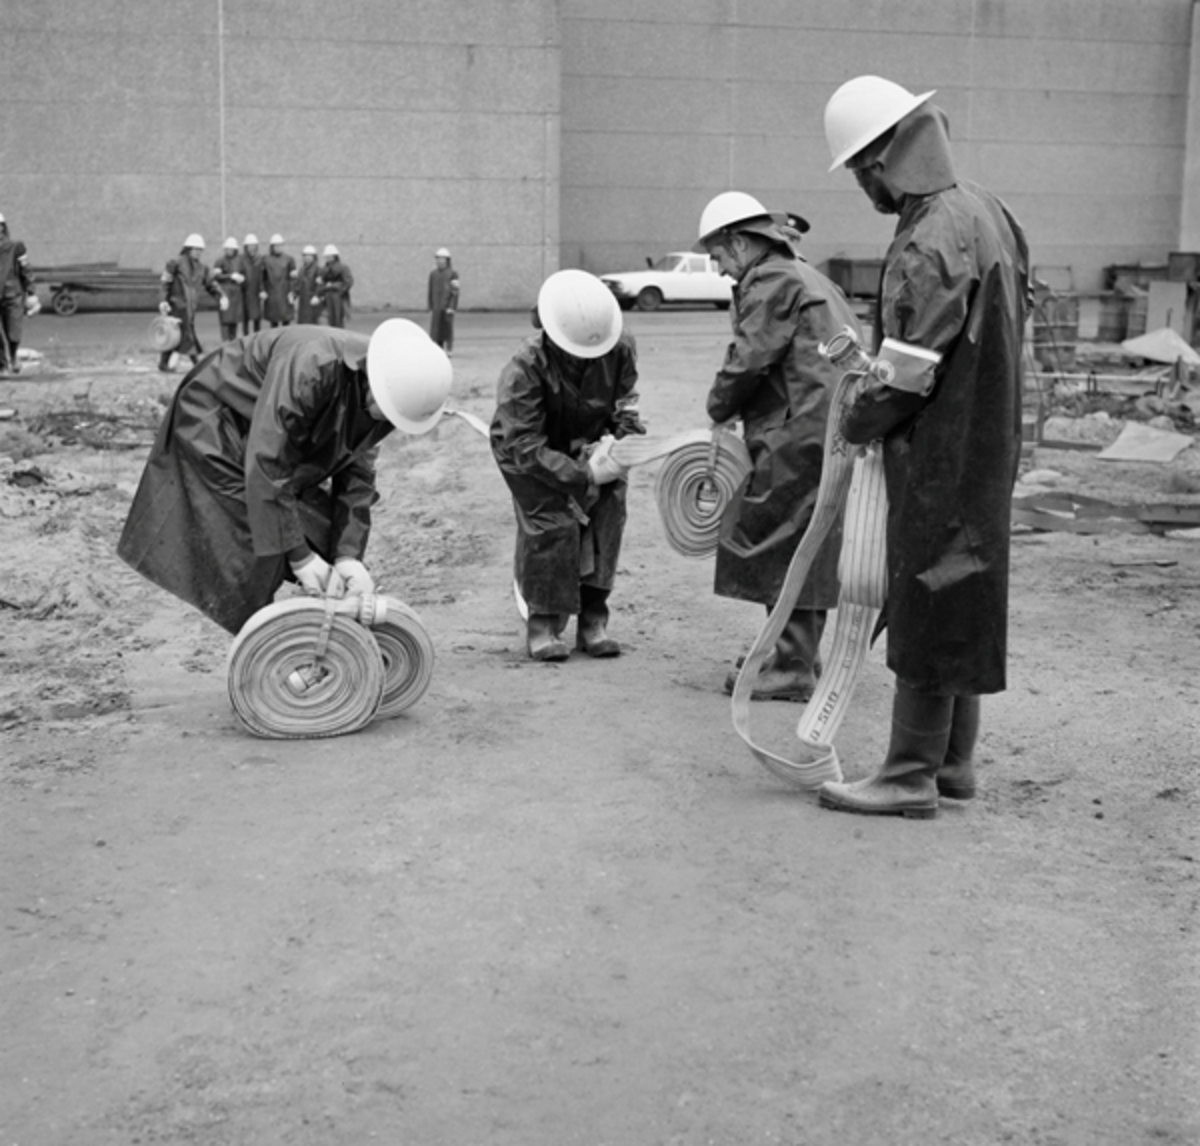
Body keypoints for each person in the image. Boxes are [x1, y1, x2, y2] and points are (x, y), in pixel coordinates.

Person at [816, 75, 1030, 819]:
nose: (862, 188)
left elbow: (908, 371)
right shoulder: (988, 211)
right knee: (966, 586)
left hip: (938, 447)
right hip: (989, 439)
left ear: (883, 160)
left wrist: (858, 419)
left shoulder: (929, 233)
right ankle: (955, 764)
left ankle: (909, 774)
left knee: (928, 590)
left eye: (858, 172)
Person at [117, 320, 452, 635]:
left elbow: (358, 476)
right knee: (250, 537)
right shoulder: (312, 366)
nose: (382, 417)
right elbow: (268, 462)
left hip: (274, 436)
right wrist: (300, 557)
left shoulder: (393, 396)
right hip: (216, 421)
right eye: (382, 407)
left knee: (316, 528)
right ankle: (267, 647)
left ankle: (324, 635)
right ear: (373, 377)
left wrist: (348, 554)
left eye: (389, 414)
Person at [696, 191, 858, 702]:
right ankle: (793, 652)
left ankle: (792, 666)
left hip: (800, 429)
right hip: (826, 423)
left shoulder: (771, 280)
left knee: (789, 540)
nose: (721, 270)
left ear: (740, 244)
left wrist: (717, 408)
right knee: (806, 537)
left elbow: (749, 358)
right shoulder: (808, 275)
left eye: (720, 257)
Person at [490, 269, 644, 661]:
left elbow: (627, 403)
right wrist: (582, 474)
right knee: (550, 520)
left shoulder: (619, 346)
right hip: (529, 449)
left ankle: (593, 619)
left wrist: (615, 445)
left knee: (608, 515)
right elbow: (523, 442)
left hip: (594, 445)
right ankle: (543, 623)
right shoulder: (525, 367)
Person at [157, 234, 227, 373]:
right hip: (176, 306)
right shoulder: (175, 263)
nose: (198, 252)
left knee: (178, 336)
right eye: (196, 249)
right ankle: (198, 365)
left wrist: (221, 296)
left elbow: (211, 284)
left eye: (200, 249)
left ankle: (164, 363)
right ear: (188, 248)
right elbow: (165, 282)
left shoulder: (202, 268)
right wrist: (163, 300)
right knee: (183, 335)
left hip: (191, 308)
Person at [0, 212, 38, 375]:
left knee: (13, 332)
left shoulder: (16, 247)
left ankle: (13, 354)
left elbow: (26, 270)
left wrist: (31, 293)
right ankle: (1, 365)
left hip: (12, 295)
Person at [212, 237, 246, 343]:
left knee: (234, 319)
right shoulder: (219, 261)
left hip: (236, 294)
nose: (229, 251)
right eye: (228, 249)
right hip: (224, 293)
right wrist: (230, 276)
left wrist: (242, 278)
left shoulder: (239, 261)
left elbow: (244, 274)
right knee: (225, 319)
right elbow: (216, 277)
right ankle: (225, 340)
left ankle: (233, 340)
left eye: (231, 249)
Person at [427, 247, 460, 354]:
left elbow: (455, 292)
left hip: (447, 308)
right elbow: (430, 290)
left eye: (442, 259)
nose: (440, 261)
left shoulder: (453, 274)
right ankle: (438, 348)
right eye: (438, 259)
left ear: (447, 260)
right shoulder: (433, 274)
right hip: (437, 307)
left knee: (447, 329)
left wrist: (452, 307)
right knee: (436, 329)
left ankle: (449, 348)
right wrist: (430, 305)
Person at [262, 234, 297, 328]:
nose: (278, 248)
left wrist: (292, 292)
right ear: (272, 247)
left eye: (280, 245)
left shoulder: (289, 260)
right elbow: (262, 277)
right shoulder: (266, 260)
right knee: (273, 319)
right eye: (276, 246)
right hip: (271, 293)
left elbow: (293, 278)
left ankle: (285, 339)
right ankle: (275, 339)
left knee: (286, 319)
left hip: (285, 293)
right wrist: (262, 290)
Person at [319, 245, 353, 329]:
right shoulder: (324, 269)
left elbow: (348, 282)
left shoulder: (343, 268)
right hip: (327, 297)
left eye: (328, 256)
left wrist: (334, 286)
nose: (326, 258)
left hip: (338, 297)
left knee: (338, 319)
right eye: (326, 256)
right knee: (328, 320)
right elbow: (321, 283)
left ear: (334, 256)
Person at [240, 233, 265, 336]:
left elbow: (263, 276)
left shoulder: (260, 259)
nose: (252, 249)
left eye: (254, 246)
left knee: (257, 317)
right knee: (244, 317)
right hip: (244, 292)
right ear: (246, 247)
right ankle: (245, 337)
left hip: (256, 292)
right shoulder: (241, 259)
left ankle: (257, 337)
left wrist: (262, 289)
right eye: (250, 246)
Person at [296, 245, 323, 324]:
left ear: (314, 257)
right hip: (303, 301)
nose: (307, 257)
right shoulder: (302, 269)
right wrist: (294, 293)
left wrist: (317, 295)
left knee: (312, 323)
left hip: (312, 301)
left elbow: (320, 285)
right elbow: (298, 284)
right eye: (305, 255)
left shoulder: (318, 269)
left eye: (309, 255)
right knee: (303, 323)